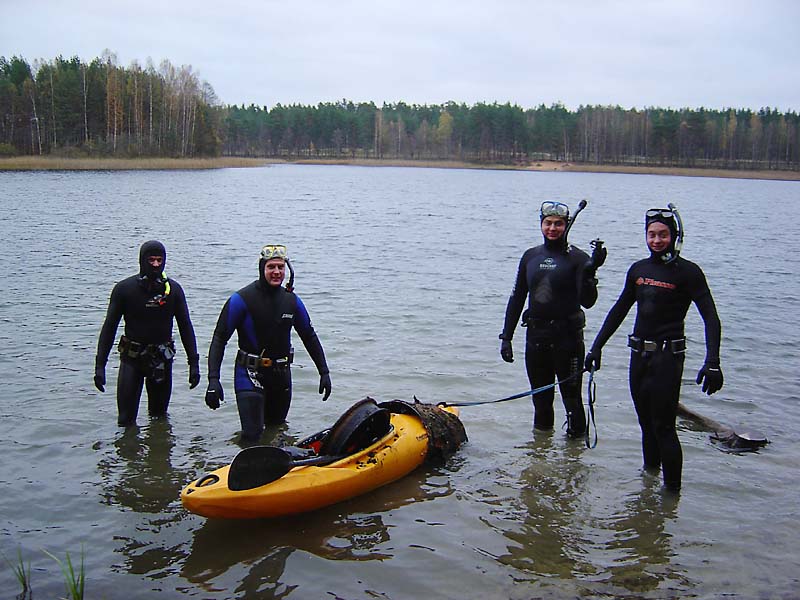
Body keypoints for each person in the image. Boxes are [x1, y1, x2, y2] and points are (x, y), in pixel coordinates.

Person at [584, 205, 723, 492]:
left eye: (663, 234)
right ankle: (649, 488)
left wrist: (713, 362)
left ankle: (671, 494)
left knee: (664, 426)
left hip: (667, 358)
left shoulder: (689, 273)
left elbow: (710, 317)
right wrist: (596, 348)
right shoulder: (638, 270)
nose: (657, 240)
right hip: (639, 356)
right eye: (651, 234)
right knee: (645, 424)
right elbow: (619, 310)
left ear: (675, 236)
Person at [204, 244, 332, 444]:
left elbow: (309, 336)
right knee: (252, 435)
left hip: (281, 375)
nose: (277, 272)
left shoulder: (292, 301)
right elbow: (219, 339)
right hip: (249, 374)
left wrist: (324, 372)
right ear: (261, 269)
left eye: (281, 267)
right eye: (271, 267)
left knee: (276, 432)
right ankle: (244, 460)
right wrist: (213, 380)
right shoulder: (241, 299)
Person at [500, 200, 607, 437]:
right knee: (541, 400)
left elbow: (588, 301)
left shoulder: (578, 259)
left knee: (572, 400)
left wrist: (591, 271)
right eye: (548, 223)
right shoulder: (530, 256)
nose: (552, 228)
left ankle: (575, 451)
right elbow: (517, 297)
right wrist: (506, 337)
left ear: (566, 225)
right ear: (541, 224)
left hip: (567, 340)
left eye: (558, 224)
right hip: (536, 338)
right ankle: (540, 451)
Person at [95, 240, 200, 427]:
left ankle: (158, 444)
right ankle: (131, 446)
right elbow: (109, 327)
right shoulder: (124, 290)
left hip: (161, 360)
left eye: (160, 260)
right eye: (151, 260)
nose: (156, 265)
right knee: (125, 421)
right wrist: (100, 365)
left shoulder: (173, 291)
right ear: (142, 261)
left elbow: (186, 327)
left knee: (159, 419)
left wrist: (194, 363)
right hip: (132, 360)